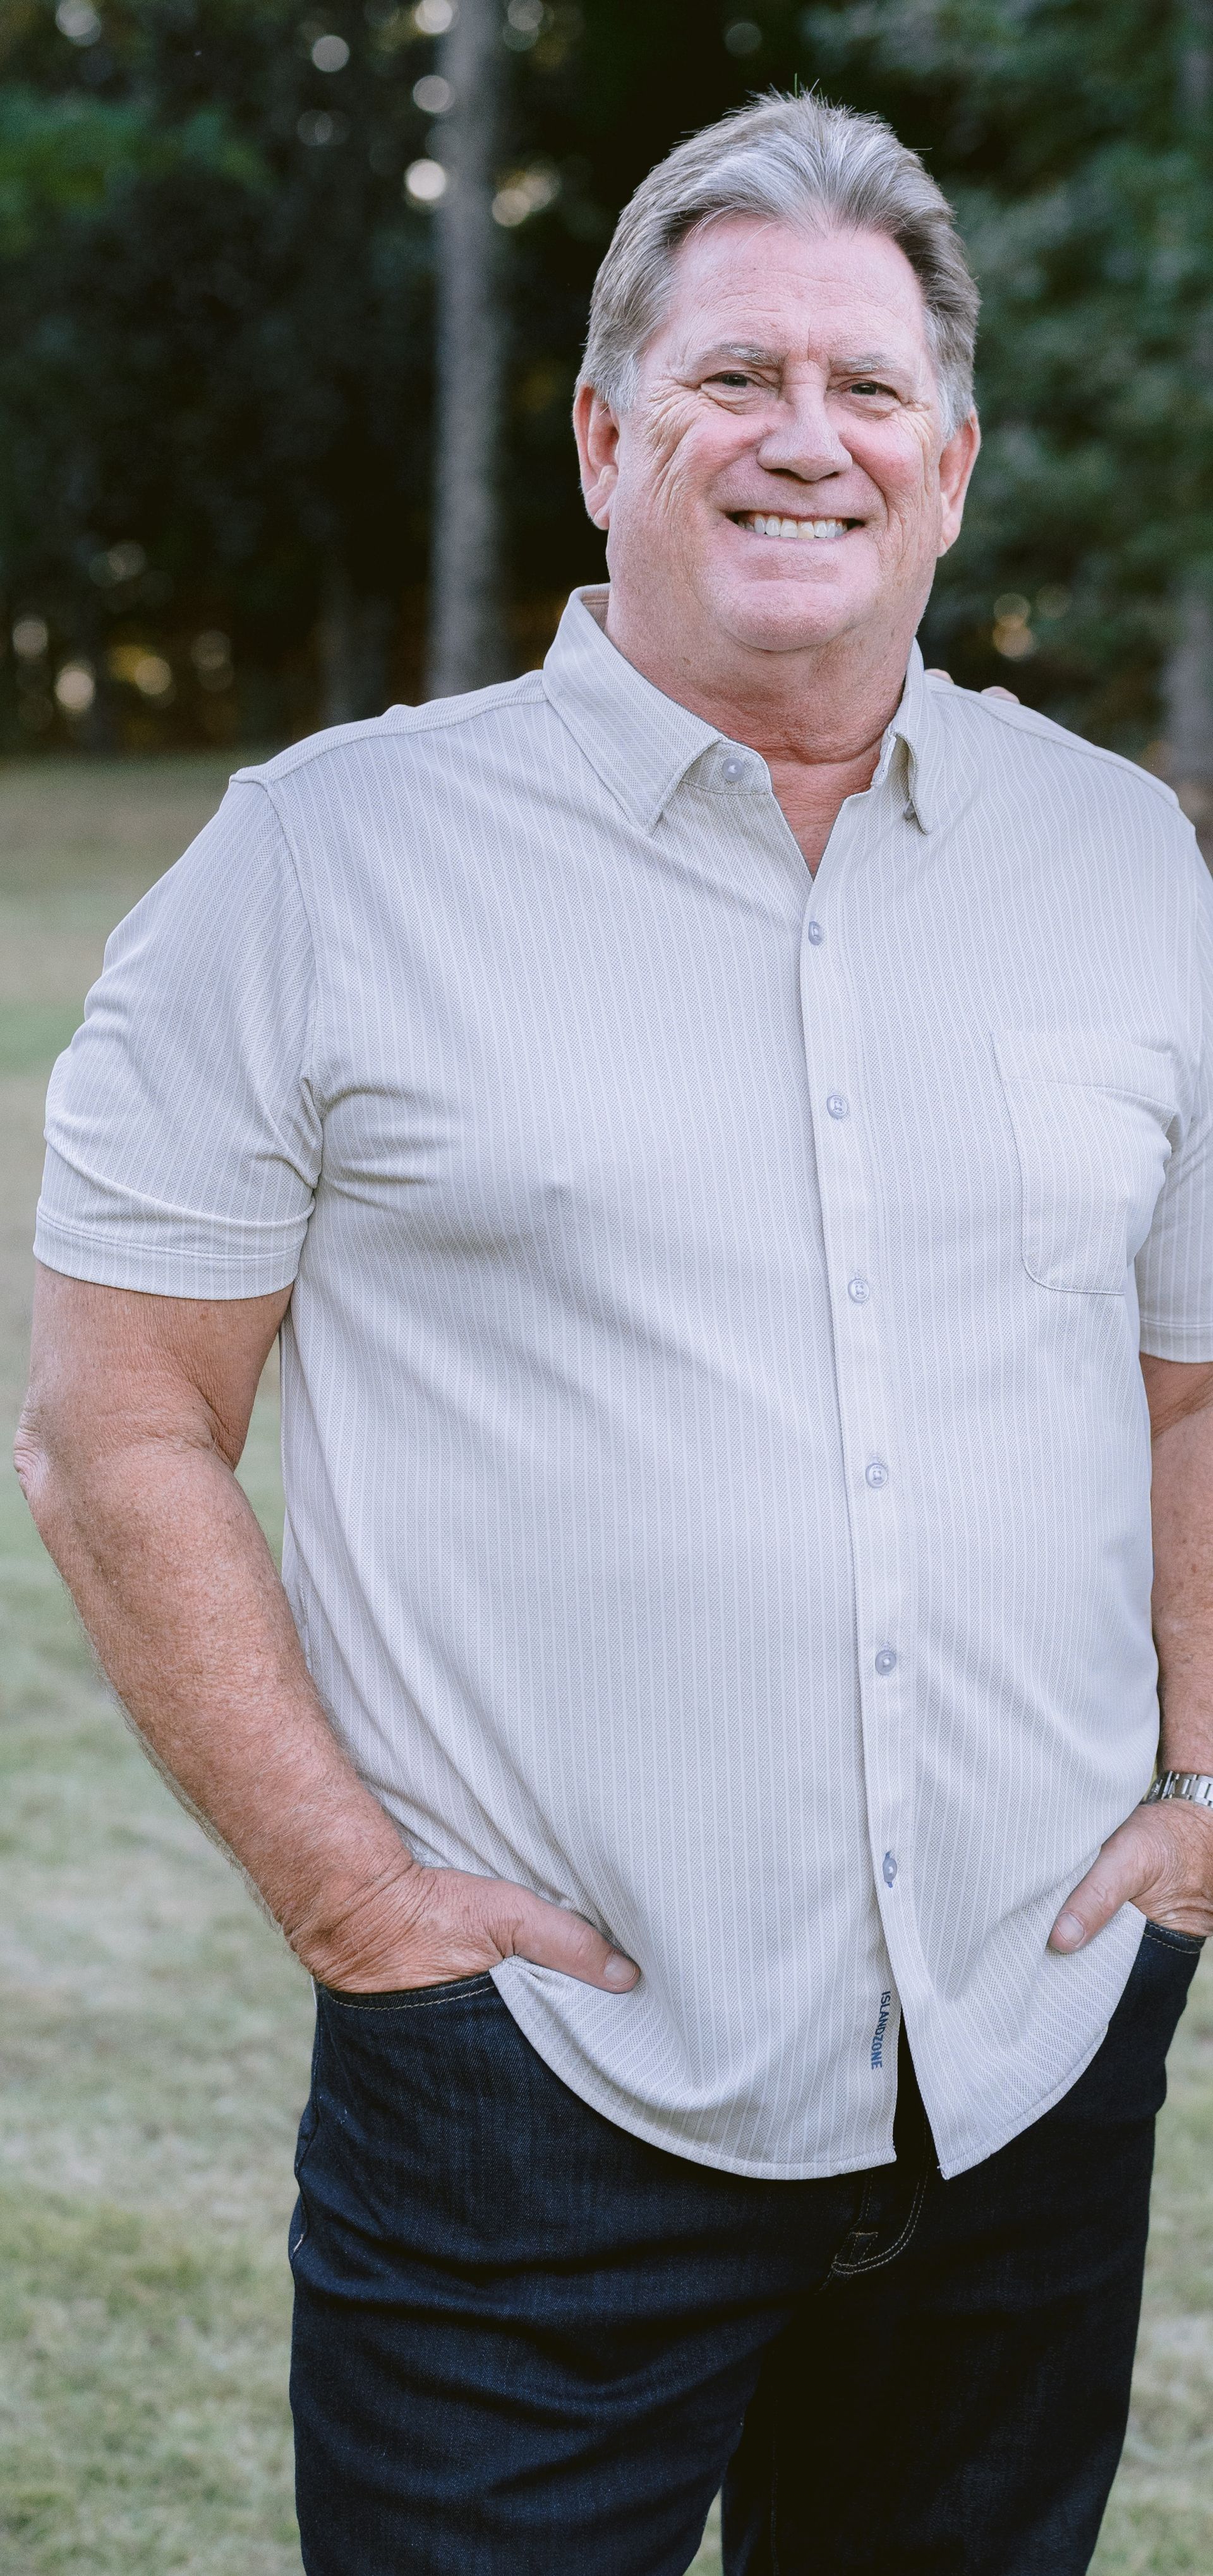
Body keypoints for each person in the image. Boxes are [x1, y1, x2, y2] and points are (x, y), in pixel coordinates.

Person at [16, 90, 1213, 2576]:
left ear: (956, 462)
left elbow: (1189, 1379)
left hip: (1032, 2090)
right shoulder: (325, 864)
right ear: (599, 435)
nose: (807, 437)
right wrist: (356, 1903)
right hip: (531, 2118)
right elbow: (122, 1416)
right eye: (730, 376)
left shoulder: (1117, 860)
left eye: (871, 389)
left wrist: (1197, 1809)